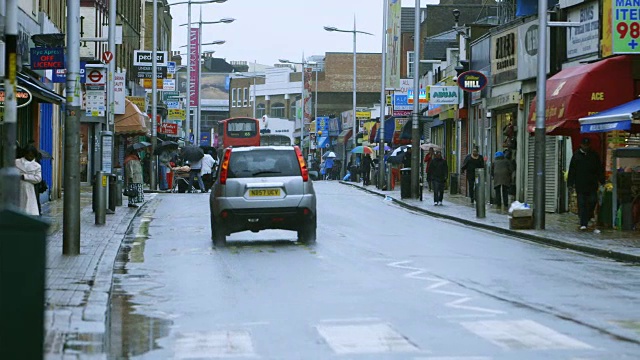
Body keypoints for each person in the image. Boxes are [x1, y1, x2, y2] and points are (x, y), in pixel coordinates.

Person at [568, 138, 605, 230]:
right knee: (582, 203)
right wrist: (570, 183)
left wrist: (602, 180)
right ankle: (583, 222)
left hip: (592, 184)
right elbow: (572, 171)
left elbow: (599, 169)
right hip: (580, 185)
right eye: (584, 145)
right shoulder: (576, 156)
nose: (586, 147)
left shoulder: (594, 155)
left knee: (593, 200)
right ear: (581, 145)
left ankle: (588, 216)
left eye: (587, 145)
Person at [15, 145, 42, 216]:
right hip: (17, 187)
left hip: (29, 189)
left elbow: (38, 178)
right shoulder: (17, 162)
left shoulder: (37, 166)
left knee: (29, 208)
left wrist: (25, 177)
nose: (30, 156)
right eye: (28, 154)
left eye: (32, 155)